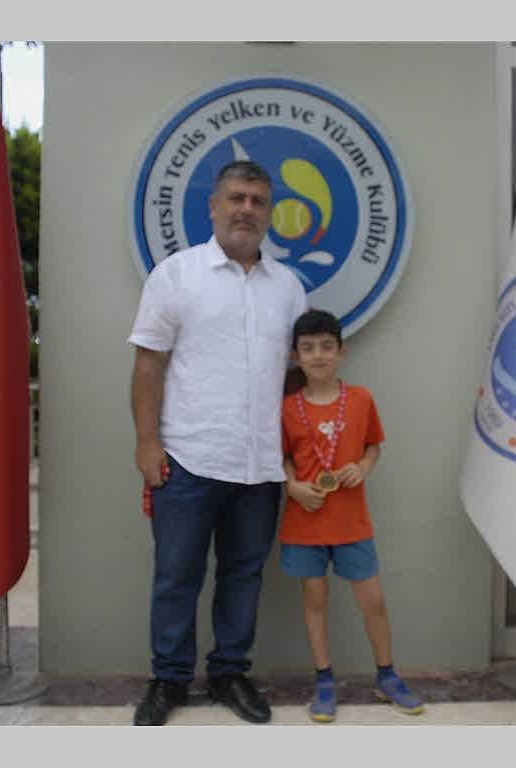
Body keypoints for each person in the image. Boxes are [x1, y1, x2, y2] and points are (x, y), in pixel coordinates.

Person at [128, 160, 307, 726]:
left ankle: (229, 673)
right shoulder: (176, 276)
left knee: (243, 575)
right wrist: (147, 442)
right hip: (187, 460)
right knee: (176, 577)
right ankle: (169, 679)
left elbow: (295, 376)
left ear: (269, 212)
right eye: (236, 198)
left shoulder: (289, 288)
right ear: (213, 206)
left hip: (259, 466)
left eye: (257, 201)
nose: (246, 209)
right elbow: (148, 365)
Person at [280, 309, 425, 723]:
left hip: (351, 522)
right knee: (315, 600)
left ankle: (387, 675)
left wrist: (362, 467)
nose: (318, 355)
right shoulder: (287, 408)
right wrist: (292, 486)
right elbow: (283, 458)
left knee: (373, 601)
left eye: (327, 346)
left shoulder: (360, 399)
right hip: (305, 522)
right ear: (296, 356)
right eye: (309, 348)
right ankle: (324, 679)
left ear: (341, 351)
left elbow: (374, 447)